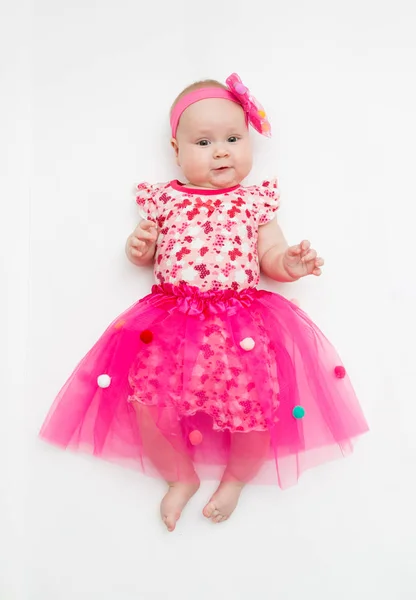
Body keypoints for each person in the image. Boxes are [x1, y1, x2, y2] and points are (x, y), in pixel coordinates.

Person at [40, 73, 369, 532]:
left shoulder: (254, 203)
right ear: (176, 151)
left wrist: (289, 263)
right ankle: (179, 477)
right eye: (203, 142)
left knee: (255, 411)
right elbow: (145, 257)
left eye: (234, 138)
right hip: (171, 323)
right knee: (148, 404)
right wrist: (139, 247)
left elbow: (271, 256)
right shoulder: (165, 201)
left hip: (240, 328)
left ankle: (236, 479)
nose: (221, 151)